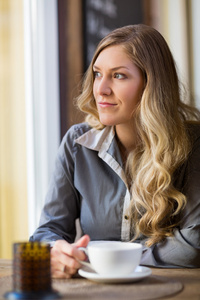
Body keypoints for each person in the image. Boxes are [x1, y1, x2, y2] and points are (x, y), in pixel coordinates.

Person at [30, 24, 200, 278]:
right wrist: (56, 252)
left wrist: (102, 259)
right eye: (98, 74)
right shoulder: (77, 144)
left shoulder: (193, 145)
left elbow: (191, 247)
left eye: (118, 75)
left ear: (151, 85)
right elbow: (45, 235)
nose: (101, 89)